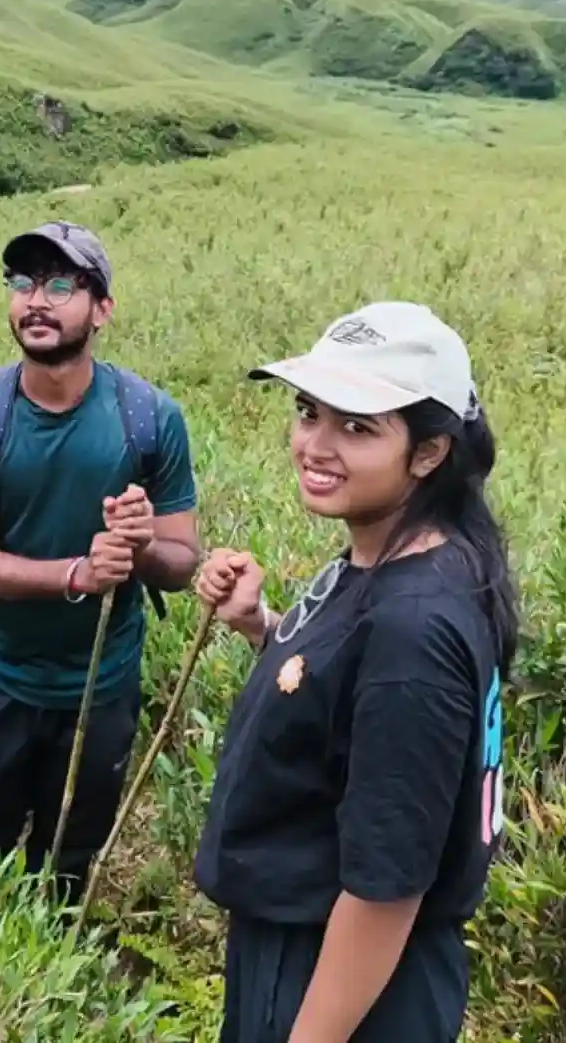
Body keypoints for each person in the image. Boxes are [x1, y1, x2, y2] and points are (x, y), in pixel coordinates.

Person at [192, 301, 520, 1043]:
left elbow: (384, 889)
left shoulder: (413, 630)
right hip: (326, 958)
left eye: (358, 425)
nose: (316, 443)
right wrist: (263, 628)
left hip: (343, 978)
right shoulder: (402, 555)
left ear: (430, 452)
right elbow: (354, 703)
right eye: (310, 411)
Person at [0, 220, 200, 899]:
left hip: (101, 685)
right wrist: (78, 575)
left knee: (67, 866)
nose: (36, 301)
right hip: (0, 677)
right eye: (22, 282)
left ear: (103, 308)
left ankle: (50, 988)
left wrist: (139, 548)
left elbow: (181, 560)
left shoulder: (148, 417)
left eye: (61, 284)